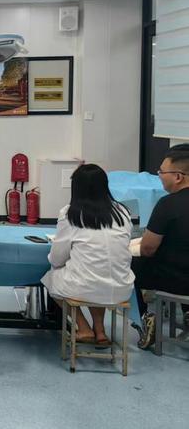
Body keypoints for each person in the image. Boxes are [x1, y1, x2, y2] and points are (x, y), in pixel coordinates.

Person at [41, 164, 134, 346]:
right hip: (122, 287)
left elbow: (57, 258)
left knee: (51, 279)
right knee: (97, 278)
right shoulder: (122, 212)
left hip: (86, 286)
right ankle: (100, 331)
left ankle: (83, 328)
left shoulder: (71, 214)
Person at [133, 143, 189, 349]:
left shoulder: (168, 204)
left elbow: (148, 248)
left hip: (175, 279)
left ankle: (145, 319)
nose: (159, 176)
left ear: (178, 177)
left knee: (129, 266)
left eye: (161, 172)